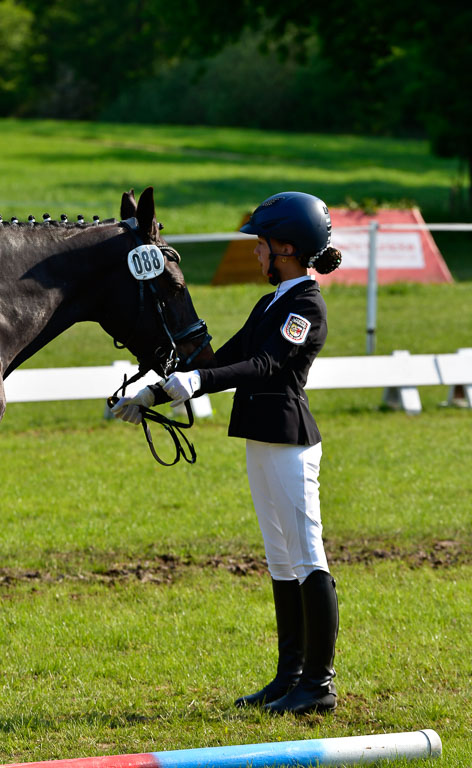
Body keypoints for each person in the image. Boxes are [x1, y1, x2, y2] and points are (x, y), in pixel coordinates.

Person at [111, 191, 342, 716]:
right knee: (281, 561)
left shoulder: (306, 306)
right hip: (260, 438)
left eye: (261, 245)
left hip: (289, 441)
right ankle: (289, 677)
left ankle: (319, 685)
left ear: (285, 247)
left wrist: (194, 380)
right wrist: (157, 388)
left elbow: (264, 366)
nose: (256, 253)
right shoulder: (272, 302)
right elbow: (229, 358)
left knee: (308, 556)